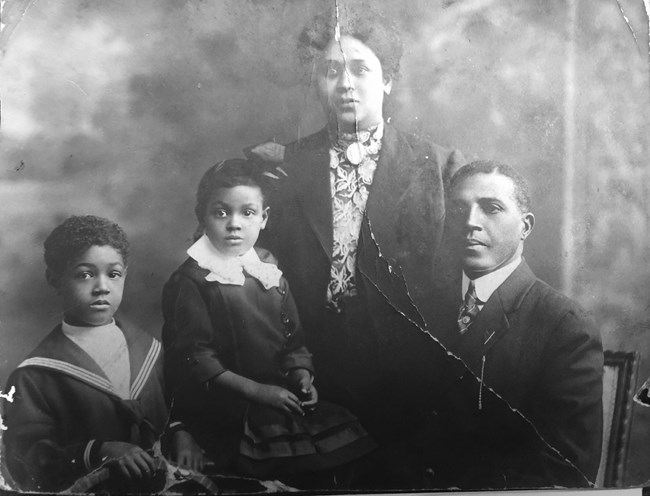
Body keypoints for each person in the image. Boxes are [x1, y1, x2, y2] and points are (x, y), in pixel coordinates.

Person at [247, 5, 468, 450]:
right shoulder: (280, 166)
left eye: (361, 69)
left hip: (410, 380)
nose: (346, 83)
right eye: (332, 70)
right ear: (318, 83)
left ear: (387, 79)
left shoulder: (441, 169)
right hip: (308, 371)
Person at [161, 160, 376, 488]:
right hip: (228, 407)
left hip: (278, 397)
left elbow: (293, 343)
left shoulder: (269, 272)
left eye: (247, 213)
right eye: (221, 213)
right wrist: (261, 393)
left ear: (264, 218)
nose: (234, 224)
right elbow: (197, 360)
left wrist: (301, 377)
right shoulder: (192, 280)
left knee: (344, 446)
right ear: (202, 217)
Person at [428, 161, 604, 485]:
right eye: (458, 209)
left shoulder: (566, 327)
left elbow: (565, 470)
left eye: (491, 208)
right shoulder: (421, 305)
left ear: (525, 226)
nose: (470, 223)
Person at [2, 215, 203, 493]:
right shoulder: (35, 376)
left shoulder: (150, 350)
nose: (102, 287)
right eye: (85, 274)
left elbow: (173, 403)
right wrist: (97, 451)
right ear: (55, 279)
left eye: (113, 274)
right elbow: (25, 461)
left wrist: (180, 431)